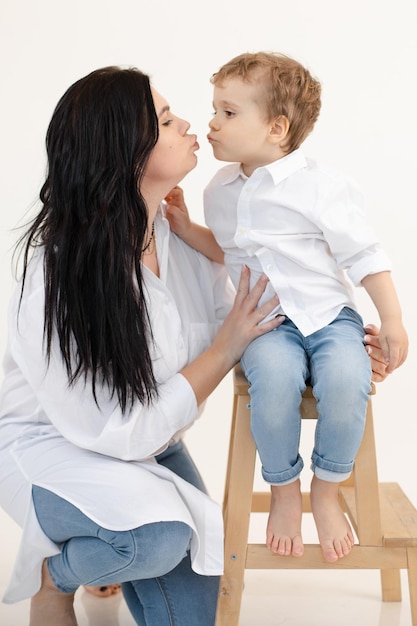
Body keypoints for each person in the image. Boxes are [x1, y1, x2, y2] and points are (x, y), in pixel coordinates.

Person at [0, 65, 289, 626]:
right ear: (123, 149)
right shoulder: (59, 274)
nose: (189, 125)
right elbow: (119, 427)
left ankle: (102, 555)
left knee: (191, 614)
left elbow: (250, 323)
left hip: (150, 445)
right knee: (155, 539)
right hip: (54, 448)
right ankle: (53, 575)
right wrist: (225, 344)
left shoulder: (180, 241)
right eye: (165, 119)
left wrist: (335, 351)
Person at [164, 51, 407, 565]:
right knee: (273, 382)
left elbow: (364, 255)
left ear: (277, 128)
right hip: (266, 324)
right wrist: (189, 232)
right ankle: (283, 489)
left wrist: (392, 320)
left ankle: (327, 485)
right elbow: (231, 252)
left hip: (328, 317)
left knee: (346, 380)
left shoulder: (322, 187)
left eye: (229, 113)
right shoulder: (220, 191)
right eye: (215, 109)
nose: (211, 122)